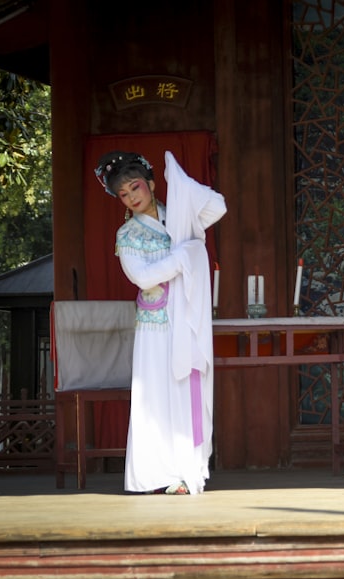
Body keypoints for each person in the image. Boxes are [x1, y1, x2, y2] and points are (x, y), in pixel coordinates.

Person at [94, 150, 227, 495]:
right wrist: (184, 256)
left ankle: (188, 471)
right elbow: (144, 278)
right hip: (156, 327)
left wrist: (183, 183)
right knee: (156, 397)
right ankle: (158, 472)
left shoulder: (180, 216)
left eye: (135, 187)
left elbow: (218, 207)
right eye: (122, 194)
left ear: (151, 184)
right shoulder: (128, 235)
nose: (131, 197)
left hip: (186, 321)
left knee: (187, 393)